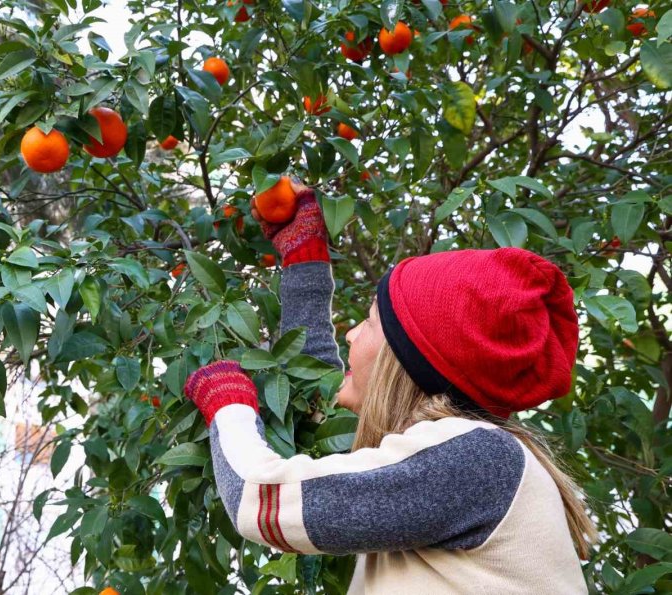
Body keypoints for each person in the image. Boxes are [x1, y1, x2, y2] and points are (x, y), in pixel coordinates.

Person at [183, 181, 598, 594]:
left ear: (405, 357)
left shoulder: (476, 460)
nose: (350, 335)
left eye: (368, 321)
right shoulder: (436, 468)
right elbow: (312, 392)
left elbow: (260, 502)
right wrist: (303, 260)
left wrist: (229, 405)